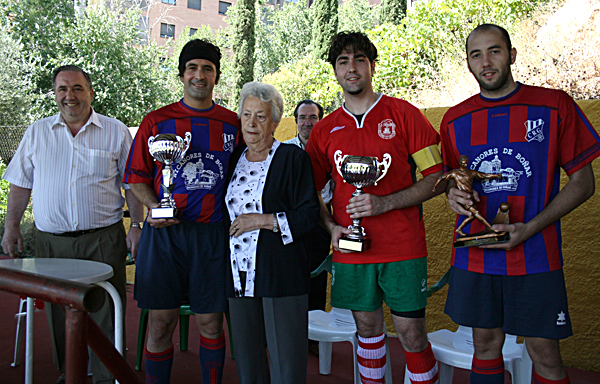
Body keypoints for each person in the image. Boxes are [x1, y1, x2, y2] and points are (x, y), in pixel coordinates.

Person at [439, 24, 600, 384]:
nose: (486, 62)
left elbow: (584, 183)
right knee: (483, 344)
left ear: (512, 54)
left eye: (494, 51)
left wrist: (530, 227)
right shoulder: (455, 119)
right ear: (468, 63)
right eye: (476, 55)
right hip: (476, 252)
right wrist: (454, 196)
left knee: (544, 350)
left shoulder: (554, 105)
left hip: (536, 253)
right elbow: (453, 182)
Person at [305, 31, 442, 384]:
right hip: (350, 250)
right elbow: (311, 190)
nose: (352, 69)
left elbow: (437, 177)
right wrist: (331, 226)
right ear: (335, 71)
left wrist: (385, 203)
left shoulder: (404, 114)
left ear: (372, 66)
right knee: (367, 330)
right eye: (343, 62)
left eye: (359, 60)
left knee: (411, 334)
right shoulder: (324, 130)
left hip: (403, 247)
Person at [1, 65, 144, 384]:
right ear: (55, 94)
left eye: (77, 88)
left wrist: (136, 225)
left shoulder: (114, 130)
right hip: (51, 242)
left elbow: (132, 184)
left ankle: (107, 378)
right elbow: (21, 184)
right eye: (63, 89)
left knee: (106, 310)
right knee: (59, 313)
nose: (70, 95)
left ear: (90, 93)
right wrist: (11, 227)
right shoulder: (37, 132)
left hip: (103, 240)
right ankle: (71, 374)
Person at [123, 39, 242, 384]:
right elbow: (136, 178)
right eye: (192, 68)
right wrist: (156, 207)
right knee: (161, 322)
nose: (199, 75)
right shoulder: (157, 121)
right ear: (182, 74)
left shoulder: (232, 123)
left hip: (211, 236)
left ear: (216, 77)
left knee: (210, 322)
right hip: (164, 235)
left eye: (207, 68)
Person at [225, 82, 320, 384]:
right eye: (246, 115)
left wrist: (262, 221)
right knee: (248, 360)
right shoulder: (234, 159)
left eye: (261, 117)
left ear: (276, 122)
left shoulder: (293, 159)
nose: (251, 124)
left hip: (281, 272)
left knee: (286, 365)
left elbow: (308, 216)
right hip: (238, 274)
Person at [284, 99, 332, 356]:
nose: (307, 123)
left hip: (321, 222)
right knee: (292, 277)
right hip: (292, 221)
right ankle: (290, 334)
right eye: (303, 117)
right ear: (296, 121)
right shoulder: (285, 151)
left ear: (320, 121)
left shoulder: (328, 148)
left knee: (317, 278)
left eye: (313, 117)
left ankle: (313, 338)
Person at [433, 155, 502, 236]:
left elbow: (483, 175)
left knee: (471, 216)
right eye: (463, 163)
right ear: (460, 163)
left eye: (466, 163)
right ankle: (490, 228)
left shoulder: (470, 172)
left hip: (470, 197)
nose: (465, 165)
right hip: (464, 198)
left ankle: (459, 229)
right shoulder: (455, 173)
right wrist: (435, 187)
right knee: (476, 213)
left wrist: (495, 175)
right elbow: (442, 177)